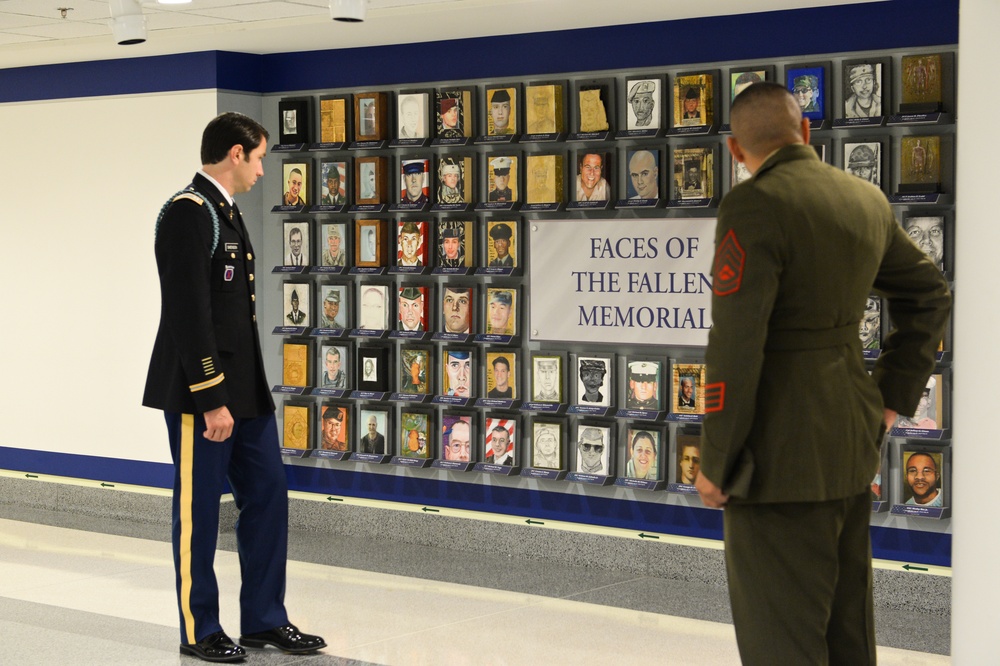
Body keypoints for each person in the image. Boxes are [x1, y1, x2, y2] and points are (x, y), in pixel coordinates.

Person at [695, 82, 950, 665]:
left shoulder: (754, 203)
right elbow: (931, 296)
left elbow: (737, 343)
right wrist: (890, 399)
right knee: (847, 634)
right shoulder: (864, 199)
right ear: (806, 132)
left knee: (780, 641)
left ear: (737, 151)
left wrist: (717, 461)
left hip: (774, 460)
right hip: (850, 440)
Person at [142, 111, 325, 661]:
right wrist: (212, 397)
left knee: (268, 496)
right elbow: (188, 314)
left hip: (245, 393)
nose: (264, 170)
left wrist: (237, 395)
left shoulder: (226, 211)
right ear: (235, 154)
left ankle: (265, 619)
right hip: (206, 396)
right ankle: (200, 630)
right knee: (198, 514)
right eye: (261, 157)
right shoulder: (188, 212)